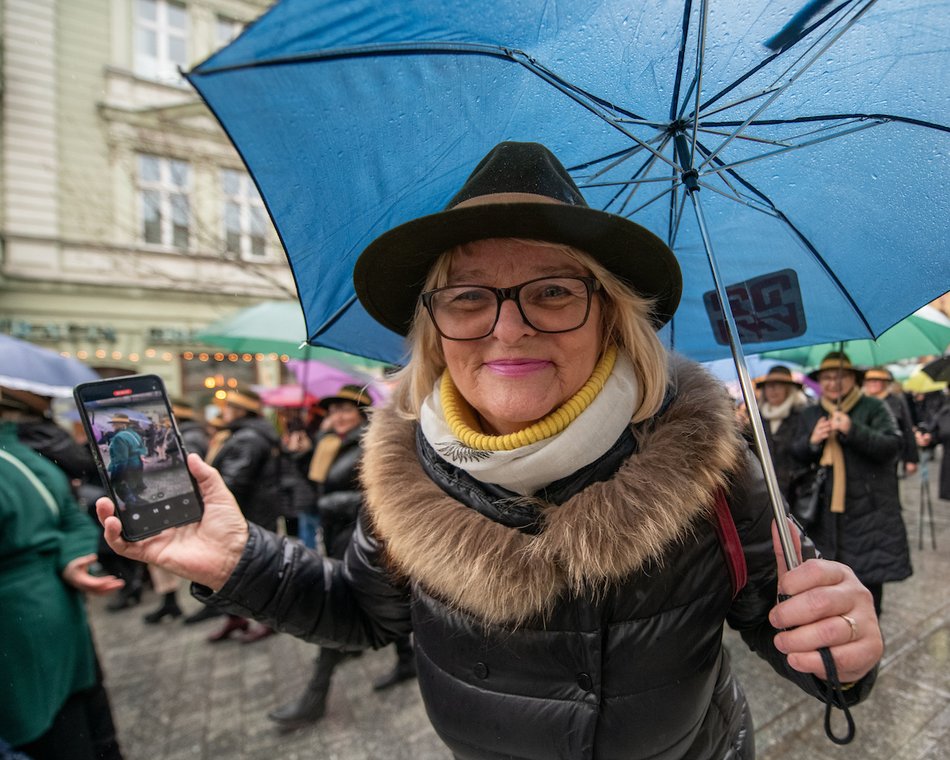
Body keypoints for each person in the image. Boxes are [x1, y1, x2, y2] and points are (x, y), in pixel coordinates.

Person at [97, 141, 883, 759]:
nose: (508, 328)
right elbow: (364, 617)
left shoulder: (707, 465)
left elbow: (800, 637)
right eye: (469, 296)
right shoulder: (406, 480)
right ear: (434, 325)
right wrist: (238, 560)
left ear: (610, 316)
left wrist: (844, 644)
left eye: (552, 292)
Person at [268, 385, 415, 731]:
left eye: (345, 410)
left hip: (361, 538)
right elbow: (320, 483)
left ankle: (315, 695)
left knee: (337, 605)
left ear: (361, 413)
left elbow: (378, 495)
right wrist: (300, 456)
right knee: (378, 603)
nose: (338, 416)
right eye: (333, 411)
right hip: (335, 536)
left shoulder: (371, 443)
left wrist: (330, 505)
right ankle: (405, 658)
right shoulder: (327, 442)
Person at [1, 401, 125, 759]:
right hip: (38, 617)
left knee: (75, 730)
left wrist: (72, 557)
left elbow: (69, 516)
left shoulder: (16, 449)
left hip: (30, 626)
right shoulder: (21, 449)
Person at [791, 352, 912, 615]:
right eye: (827, 377)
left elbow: (892, 446)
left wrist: (852, 429)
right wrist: (813, 441)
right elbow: (797, 452)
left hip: (868, 512)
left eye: (840, 376)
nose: (833, 383)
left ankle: (869, 651)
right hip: (824, 515)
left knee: (867, 588)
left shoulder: (873, 407)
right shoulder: (811, 413)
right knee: (830, 588)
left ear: (853, 378)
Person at [202, 388, 282, 642]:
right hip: (246, 513)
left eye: (227, 408)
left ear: (239, 411)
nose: (222, 413)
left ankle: (267, 620)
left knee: (254, 570)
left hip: (249, 514)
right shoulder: (242, 434)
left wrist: (207, 492)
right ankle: (236, 619)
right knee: (236, 571)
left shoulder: (248, 438)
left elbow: (235, 480)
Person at [754, 365, 811, 502]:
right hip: (766, 492)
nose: (773, 390)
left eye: (778, 385)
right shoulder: (757, 420)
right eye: (769, 386)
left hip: (796, 493)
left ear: (789, 389)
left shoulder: (802, 416)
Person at [862, 366, 919, 477]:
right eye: (869, 381)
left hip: (890, 454)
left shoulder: (896, 401)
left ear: (885, 383)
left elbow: (907, 429)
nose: (872, 384)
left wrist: (911, 459)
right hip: (864, 454)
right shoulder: (861, 402)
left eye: (876, 381)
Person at [105, 413, 146, 507]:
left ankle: (136, 508)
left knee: (123, 491)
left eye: (115, 423)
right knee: (132, 489)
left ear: (122, 424)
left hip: (126, 468)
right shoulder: (133, 433)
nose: (112, 425)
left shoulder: (119, 437)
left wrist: (115, 478)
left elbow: (121, 461)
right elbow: (142, 449)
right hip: (137, 464)